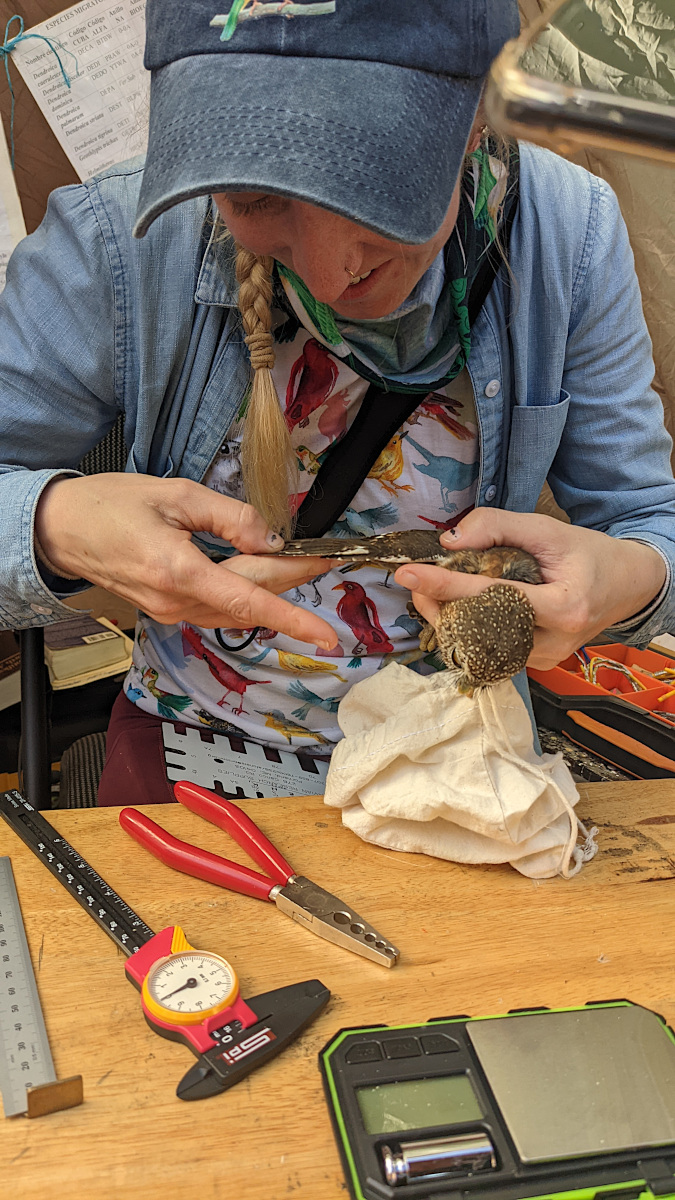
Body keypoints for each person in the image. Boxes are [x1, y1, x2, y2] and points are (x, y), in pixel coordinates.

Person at [1, 0, 674, 807]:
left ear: (473, 117)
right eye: (253, 199)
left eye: (372, 186)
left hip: (460, 755)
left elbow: (646, 518)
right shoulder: (117, 240)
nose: (327, 275)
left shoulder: (571, 236)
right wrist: (52, 526)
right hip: (190, 745)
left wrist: (626, 577)